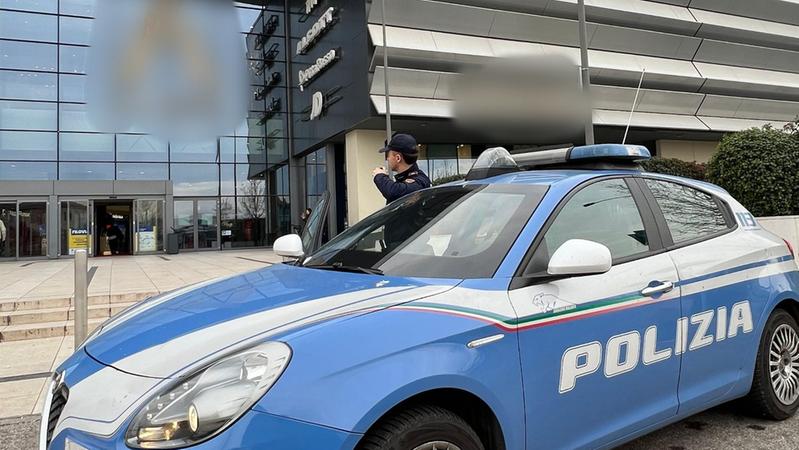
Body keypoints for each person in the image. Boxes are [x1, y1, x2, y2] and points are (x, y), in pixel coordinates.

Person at [372, 133, 431, 204]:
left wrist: (379, 176)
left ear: (398, 158)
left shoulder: (419, 181)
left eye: (388, 155)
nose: (387, 159)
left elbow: (393, 192)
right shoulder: (405, 178)